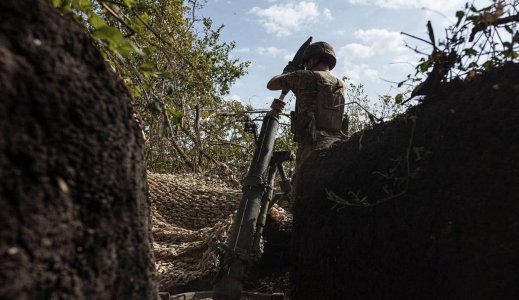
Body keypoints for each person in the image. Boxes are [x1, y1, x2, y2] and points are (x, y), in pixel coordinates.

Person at [267, 41, 346, 209]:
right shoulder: (341, 84)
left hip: (312, 146)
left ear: (312, 60)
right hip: (337, 143)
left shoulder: (304, 76)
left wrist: (289, 71)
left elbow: (271, 84)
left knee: (300, 196)